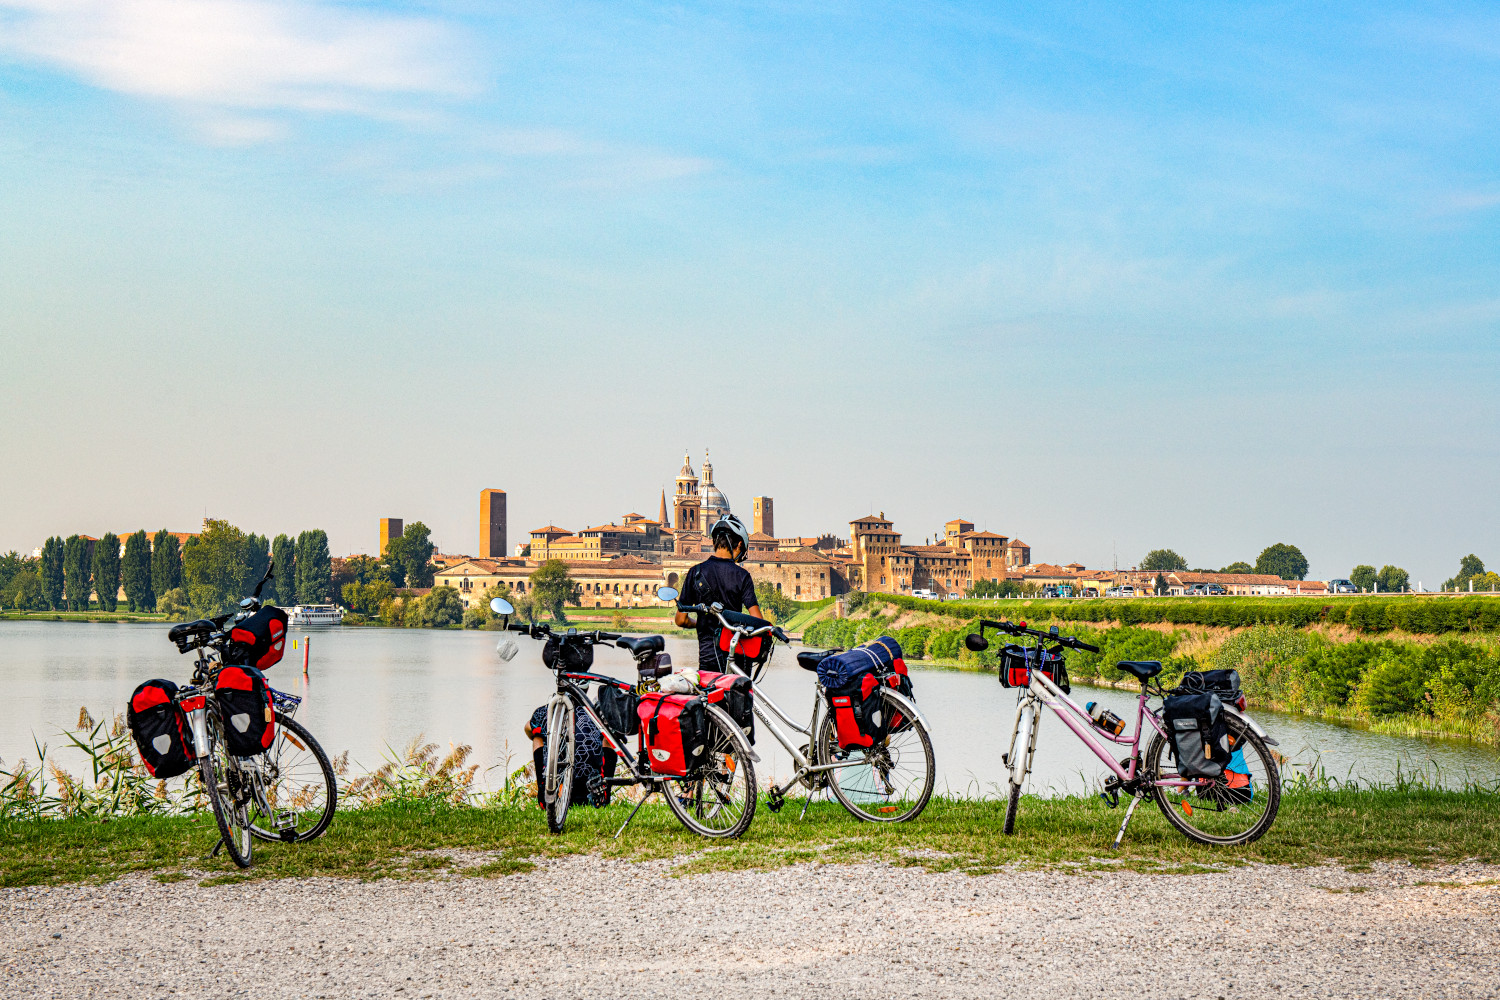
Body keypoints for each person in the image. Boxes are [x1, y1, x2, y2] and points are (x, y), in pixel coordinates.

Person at [674, 514, 762, 670]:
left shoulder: (696, 572)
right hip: (736, 659)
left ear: (715, 542)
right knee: (739, 692)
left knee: (708, 693)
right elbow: (757, 620)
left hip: (708, 659)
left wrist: (700, 624)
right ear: (739, 544)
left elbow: (681, 620)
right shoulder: (742, 576)